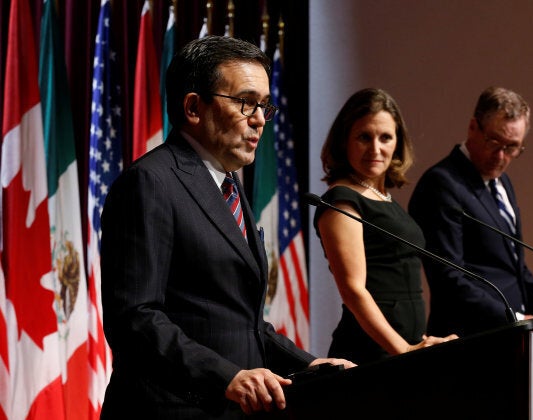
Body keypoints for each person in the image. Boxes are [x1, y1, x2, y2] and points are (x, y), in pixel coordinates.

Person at [100, 35, 355, 420]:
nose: (258, 119)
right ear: (193, 107)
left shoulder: (228, 183)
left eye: (264, 106)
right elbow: (134, 318)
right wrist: (224, 376)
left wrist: (309, 365)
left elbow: (242, 323)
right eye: (245, 103)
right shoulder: (151, 183)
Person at [408, 86, 533, 338]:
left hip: (510, 338)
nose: (500, 156)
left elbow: (513, 270)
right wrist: (515, 318)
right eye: (494, 142)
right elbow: (449, 278)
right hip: (471, 338)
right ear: (472, 127)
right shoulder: (443, 183)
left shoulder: (502, 183)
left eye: (512, 147)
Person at [313, 88, 457, 365]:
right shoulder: (342, 201)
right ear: (345, 141)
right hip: (371, 354)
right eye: (364, 137)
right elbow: (354, 290)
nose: (376, 149)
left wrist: (418, 342)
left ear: (398, 142)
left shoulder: (383, 198)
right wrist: (402, 349)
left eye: (385, 138)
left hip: (403, 348)